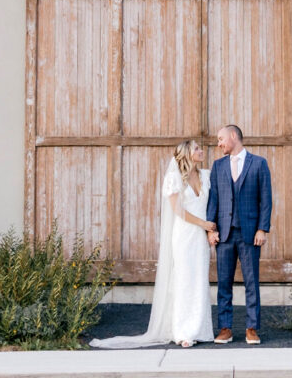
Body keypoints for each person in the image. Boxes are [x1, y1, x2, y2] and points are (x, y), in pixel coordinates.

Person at [90, 138, 215, 348]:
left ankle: (200, 328)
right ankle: (183, 331)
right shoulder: (174, 178)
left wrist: (209, 230)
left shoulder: (206, 175)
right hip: (185, 235)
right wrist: (204, 224)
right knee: (184, 279)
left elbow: (212, 205)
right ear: (187, 153)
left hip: (200, 238)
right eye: (197, 149)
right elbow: (179, 211)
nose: (201, 151)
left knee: (199, 279)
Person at [206, 124, 272, 345]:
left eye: (221, 138)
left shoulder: (259, 163)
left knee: (251, 283)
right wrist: (211, 230)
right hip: (224, 235)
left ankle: (251, 328)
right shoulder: (218, 166)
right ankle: (225, 328)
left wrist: (262, 229)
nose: (219, 143)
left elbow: (266, 199)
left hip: (250, 234)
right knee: (224, 283)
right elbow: (213, 200)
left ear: (234, 136)